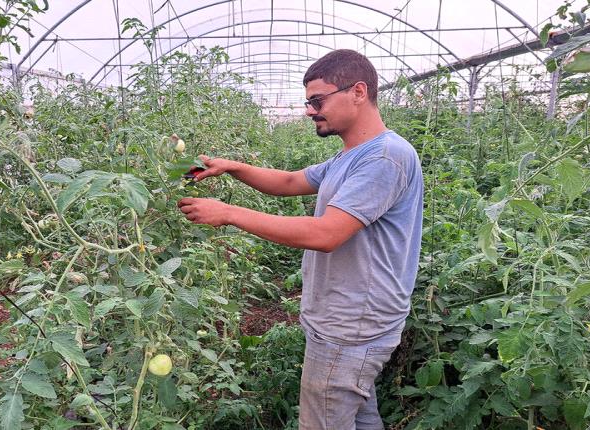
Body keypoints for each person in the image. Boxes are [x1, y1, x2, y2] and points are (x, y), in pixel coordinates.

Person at [177, 49, 423, 430]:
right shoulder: (352, 154)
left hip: (352, 324)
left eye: (318, 100)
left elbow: (326, 234)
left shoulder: (384, 158)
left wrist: (228, 213)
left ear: (358, 92)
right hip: (349, 317)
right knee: (358, 413)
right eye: (308, 102)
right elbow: (292, 182)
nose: (310, 110)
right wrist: (234, 168)